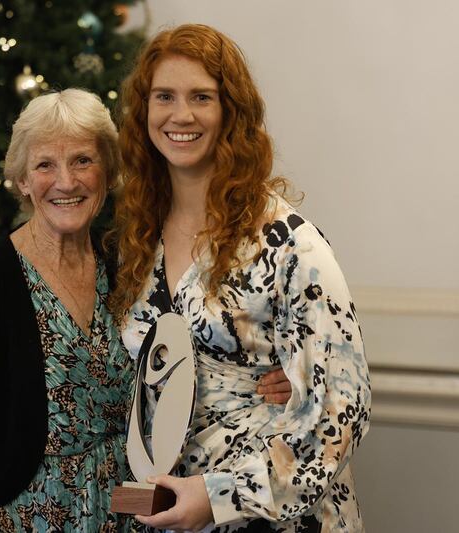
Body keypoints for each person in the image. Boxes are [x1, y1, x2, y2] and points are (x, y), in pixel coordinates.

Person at [0, 88, 293, 532]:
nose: (66, 182)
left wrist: (274, 378)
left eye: (83, 160)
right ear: (22, 180)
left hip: (139, 515)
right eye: (45, 165)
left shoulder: (130, 264)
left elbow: (194, 358)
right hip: (35, 520)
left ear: (107, 173)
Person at [112, 24, 371, 532]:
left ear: (231, 111)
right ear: (144, 111)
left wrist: (220, 497)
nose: (180, 115)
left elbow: (342, 408)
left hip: (269, 519)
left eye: (201, 97)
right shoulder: (137, 241)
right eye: (164, 96)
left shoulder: (288, 244)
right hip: (166, 512)